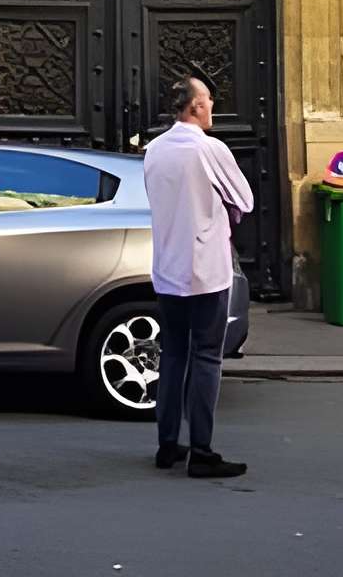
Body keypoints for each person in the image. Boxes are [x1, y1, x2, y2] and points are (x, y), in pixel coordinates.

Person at [141, 74, 254, 479]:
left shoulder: (154, 151)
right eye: (207, 99)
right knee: (206, 357)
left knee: (172, 355)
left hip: (168, 267)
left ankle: (167, 444)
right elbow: (245, 199)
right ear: (194, 107)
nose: (213, 105)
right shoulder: (209, 149)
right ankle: (202, 451)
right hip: (206, 269)